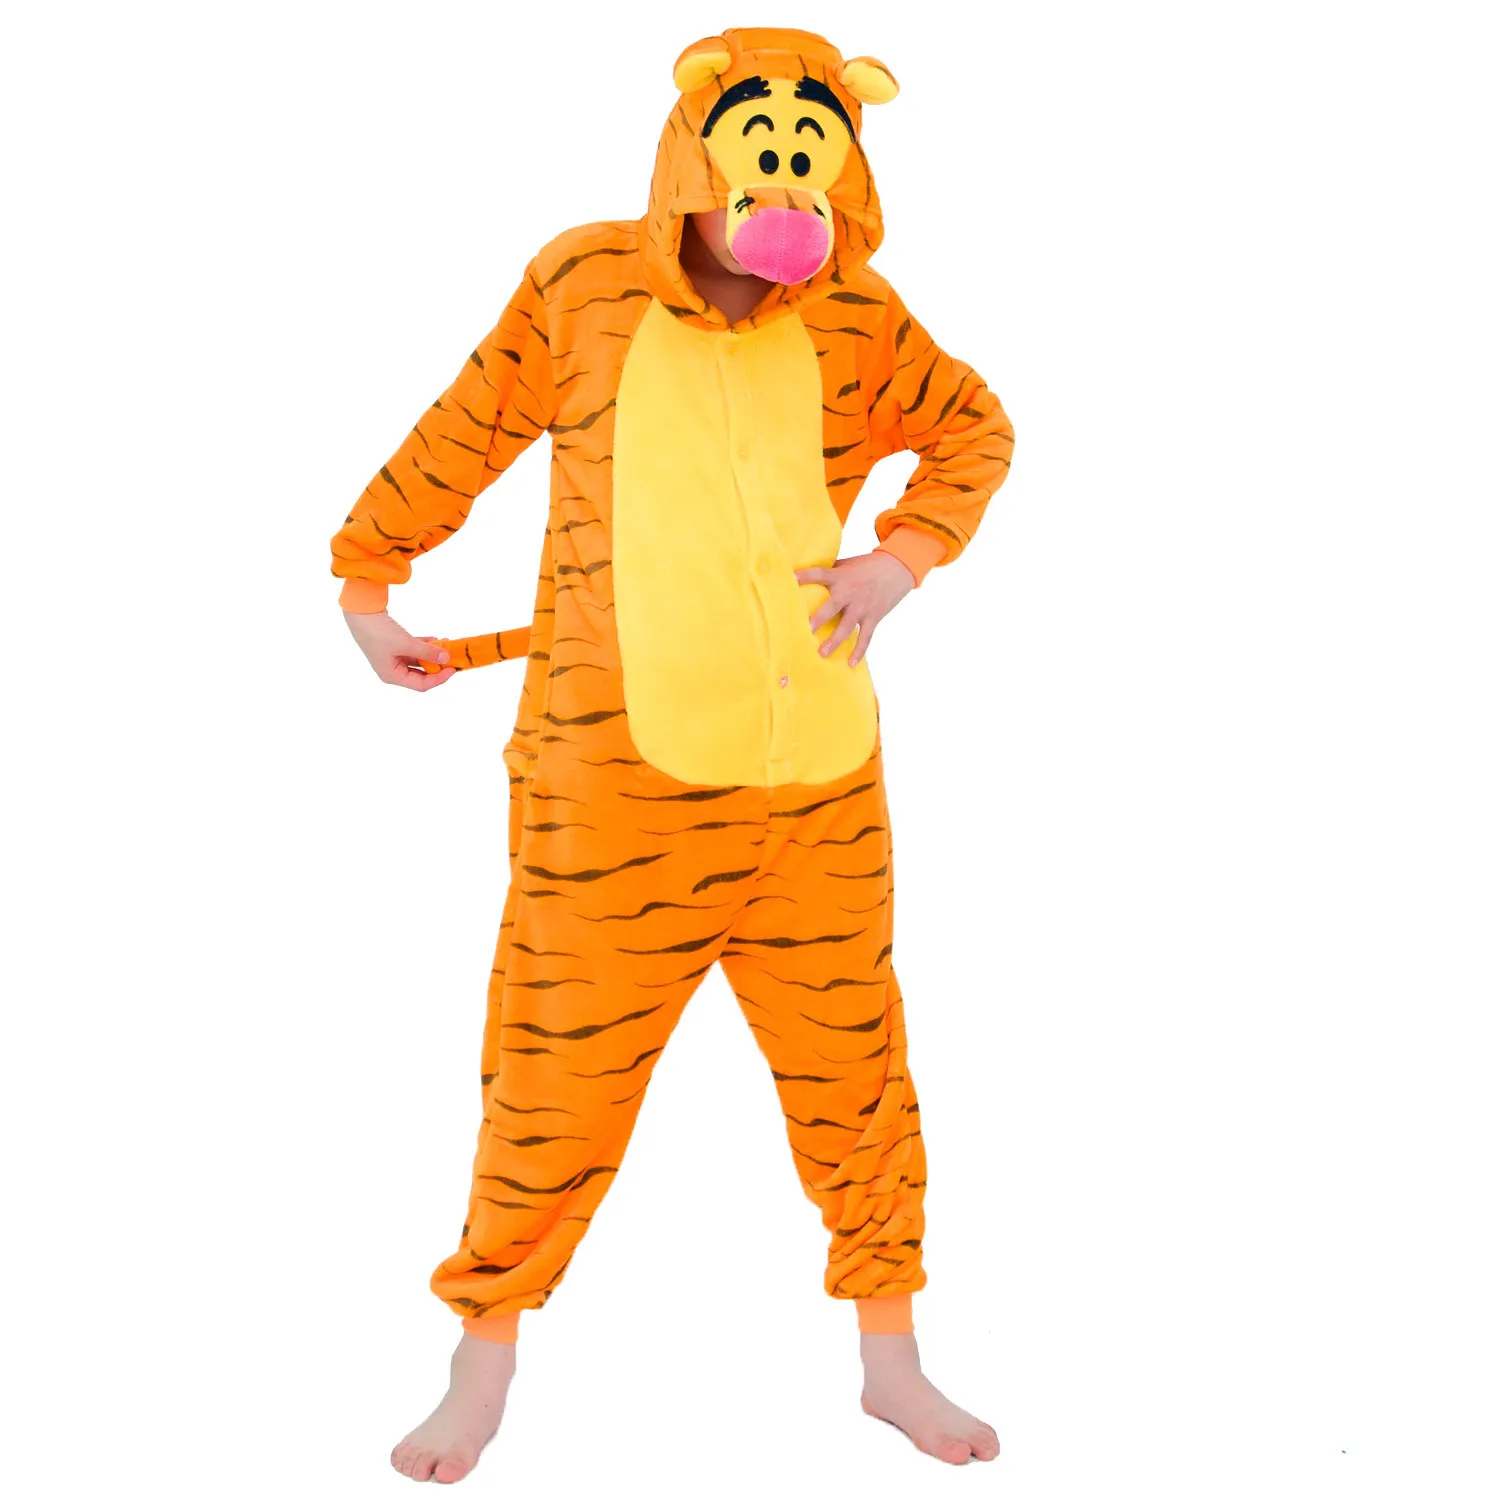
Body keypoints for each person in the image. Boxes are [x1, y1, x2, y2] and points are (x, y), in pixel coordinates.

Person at [332, 26, 1014, 1483]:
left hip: (818, 784)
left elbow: (974, 428)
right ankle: (482, 1357)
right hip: (613, 789)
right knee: (553, 1076)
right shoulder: (583, 285)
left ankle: (890, 1361)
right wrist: (371, 574)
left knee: (860, 1076)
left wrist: (897, 562)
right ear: (695, 162)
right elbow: (470, 423)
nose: (786, 200)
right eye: (761, 163)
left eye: (815, 170)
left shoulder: (854, 311)